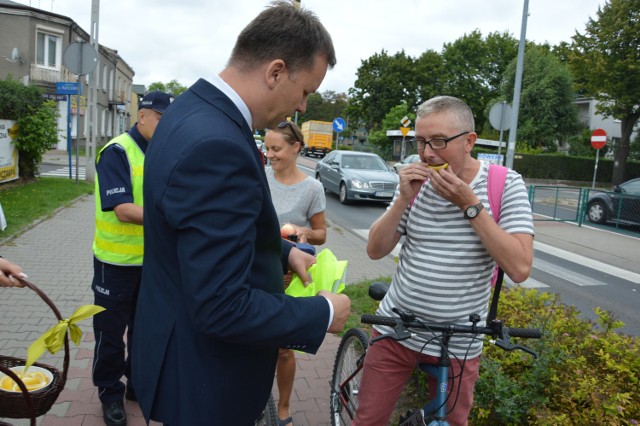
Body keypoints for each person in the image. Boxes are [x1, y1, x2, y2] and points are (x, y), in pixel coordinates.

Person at [130, 2, 350, 425]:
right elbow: (221, 305)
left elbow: (196, 229)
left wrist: (283, 251)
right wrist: (320, 313)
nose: (303, 107)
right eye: (305, 91)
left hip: (183, 357)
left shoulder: (190, 112)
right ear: (275, 71)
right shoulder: (219, 146)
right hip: (206, 379)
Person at [354, 96, 534, 426]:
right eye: (421, 141)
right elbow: (375, 250)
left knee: (451, 423)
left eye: (438, 141)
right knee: (368, 420)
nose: (427, 153)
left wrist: (470, 205)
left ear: (469, 142)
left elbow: (520, 267)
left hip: (461, 341)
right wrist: (402, 200)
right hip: (397, 328)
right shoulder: (414, 182)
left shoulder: (505, 185)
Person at [91, 90, 173, 426]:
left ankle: (136, 383)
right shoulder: (117, 151)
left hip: (150, 263)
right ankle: (110, 393)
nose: (168, 128)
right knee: (110, 333)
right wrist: (173, 215)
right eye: (162, 120)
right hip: (114, 264)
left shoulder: (161, 151)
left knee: (144, 330)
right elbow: (123, 210)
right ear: (143, 116)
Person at [264, 121, 327, 425]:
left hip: (291, 275)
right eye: (267, 147)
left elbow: (321, 233)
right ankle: (254, 399)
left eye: (276, 148)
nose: (270, 154)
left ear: (296, 148)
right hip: (258, 270)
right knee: (251, 341)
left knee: (284, 348)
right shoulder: (258, 178)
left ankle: (284, 406)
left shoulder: (312, 188)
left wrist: (301, 231)